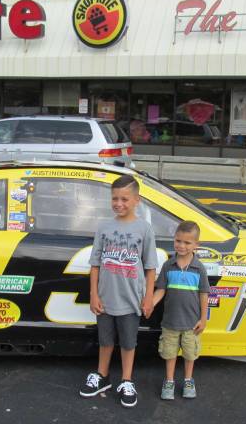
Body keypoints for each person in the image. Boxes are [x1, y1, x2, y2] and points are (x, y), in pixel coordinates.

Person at [79, 175, 158, 408]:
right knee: (105, 341)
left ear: (137, 200)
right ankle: (102, 376)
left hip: (131, 300)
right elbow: (95, 264)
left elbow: (150, 267)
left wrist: (148, 298)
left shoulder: (145, 229)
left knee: (128, 343)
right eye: (115, 198)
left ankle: (126, 380)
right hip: (105, 298)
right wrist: (94, 294)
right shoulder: (104, 227)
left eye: (124, 199)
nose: (119, 203)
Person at [153, 220, 210, 400]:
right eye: (178, 241)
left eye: (187, 242)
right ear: (174, 239)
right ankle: (169, 380)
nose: (182, 245)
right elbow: (161, 289)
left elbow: (204, 294)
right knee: (169, 352)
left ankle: (188, 380)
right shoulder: (168, 266)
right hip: (170, 322)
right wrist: (150, 303)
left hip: (191, 323)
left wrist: (203, 318)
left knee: (189, 353)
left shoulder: (199, 268)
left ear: (196, 245)